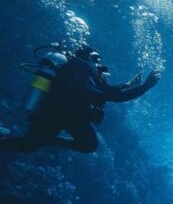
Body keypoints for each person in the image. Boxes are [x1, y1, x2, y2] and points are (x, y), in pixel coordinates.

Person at [0, 44, 160, 153]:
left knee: (88, 145)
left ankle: (48, 139)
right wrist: (146, 86)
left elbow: (107, 90)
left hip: (69, 117)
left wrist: (129, 84)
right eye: (96, 58)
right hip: (52, 115)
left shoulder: (88, 76)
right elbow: (111, 96)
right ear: (84, 58)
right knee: (29, 146)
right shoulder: (76, 73)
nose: (99, 63)